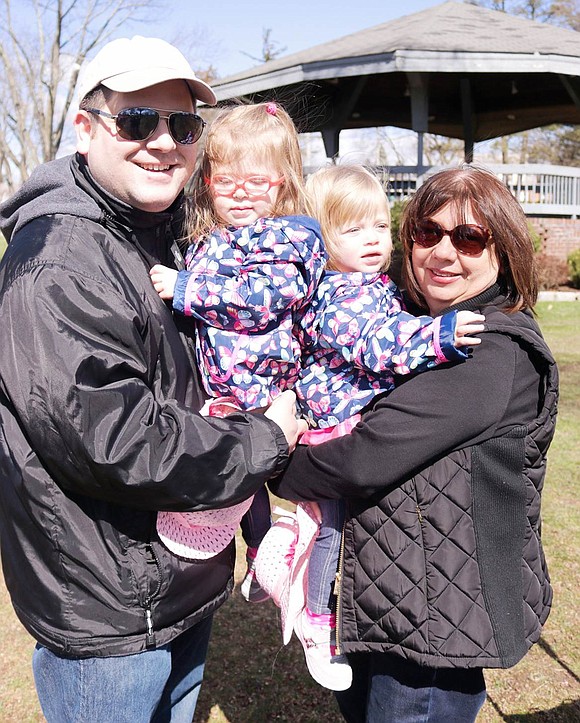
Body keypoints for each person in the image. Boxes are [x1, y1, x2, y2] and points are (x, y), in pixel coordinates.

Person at [0, 36, 305, 723]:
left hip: (176, 585)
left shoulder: (161, 229)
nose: (164, 143)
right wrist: (266, 437)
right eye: (138, 120)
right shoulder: (61, 259)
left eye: (184, 125)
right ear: (86, 129)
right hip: (110, 612)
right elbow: (120, 441)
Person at [270, 164, 558, 722]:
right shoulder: (407, 323)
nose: (444, 253)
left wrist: (274, 458)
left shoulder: (493, 351)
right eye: (428, 233)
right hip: (385, 601)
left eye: (470, 237)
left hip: (435, 622)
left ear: (504, 249)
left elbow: (363, 457)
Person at [256, 164, 484, 692]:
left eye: (380, 226)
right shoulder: (339, 296)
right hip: (332, 427)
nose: (373, 240)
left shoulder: (372, 285)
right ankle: (315, 620)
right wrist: (438, 335)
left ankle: (283, 547)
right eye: (352, 230)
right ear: (319, 238)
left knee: (334, 524)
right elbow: (378, 345)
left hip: (350, 418)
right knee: (333, 528)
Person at [148, 102, 326, 602]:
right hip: (227, 388)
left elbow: (261, 300)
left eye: (257, 182)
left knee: (263, 472)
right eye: (226, 182)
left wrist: (186, 289)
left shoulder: (290, 236)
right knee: (243, 479)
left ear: (284, 181)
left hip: (267, 387)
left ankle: (287, 547)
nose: (241, 195)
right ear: (208, 182)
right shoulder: (215, 237)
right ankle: (263, 553)